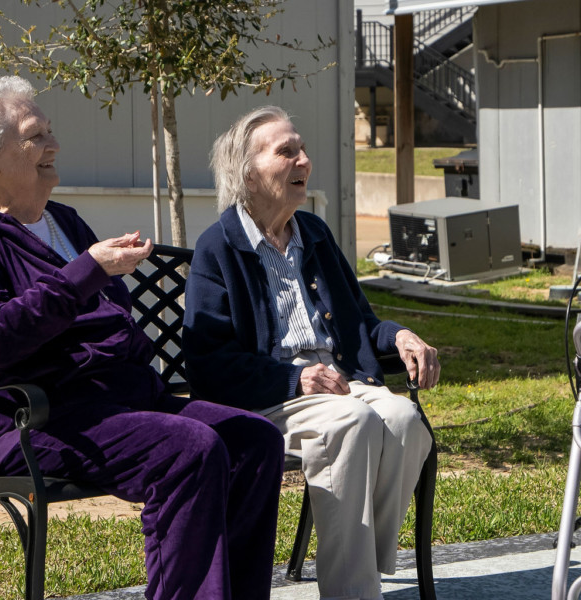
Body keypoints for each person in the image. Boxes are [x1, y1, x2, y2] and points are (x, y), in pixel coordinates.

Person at [0, 75, 284, 600]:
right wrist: (86, 271)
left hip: (123, 405)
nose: (53, 145)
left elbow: (107, 314)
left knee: (253, 439)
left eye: (49, 131)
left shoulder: (64, 221)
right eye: (34, 135)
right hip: (34, 420)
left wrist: (99, 289)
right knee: (189, 448)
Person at [182, 105, 440, 600]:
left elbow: (361, 323)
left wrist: (401, 335)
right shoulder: (218, 248)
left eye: (302, 149)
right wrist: (293, 379)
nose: (304, 161)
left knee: (406, 419)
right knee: (351, 422)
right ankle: (354, 589)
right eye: (287, 152)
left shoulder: (314, 235)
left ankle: (358, 564)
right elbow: (208, 360)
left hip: (344, 383)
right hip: (271, 398)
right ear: (247, 173)